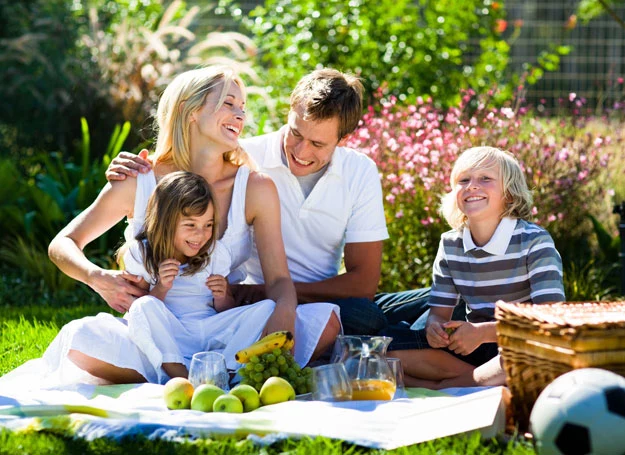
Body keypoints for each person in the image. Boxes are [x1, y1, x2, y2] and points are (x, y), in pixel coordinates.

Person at [45, 65, 340, 385]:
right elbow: (63, 243)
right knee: (80, 338)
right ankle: (211, 375)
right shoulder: (139, 179)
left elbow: (280, 279)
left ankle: (198, 373)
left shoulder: (254, 187)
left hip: (221, 330)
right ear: (190, 110)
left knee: (324, 322)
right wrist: (98, 278)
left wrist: (284, 312)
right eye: (229, 103)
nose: (240, 115)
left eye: (242, 108)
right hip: (153, 332)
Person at [106, 68, 430, 337]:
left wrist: (272, 293)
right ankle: (414, 343)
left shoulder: (358, 170)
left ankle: (424, 336)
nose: (301, 152)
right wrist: (132, 170)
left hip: (299, 296)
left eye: (318, 143)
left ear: (343, 140)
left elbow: (363, 282)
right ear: (288, 113)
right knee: (367, 319)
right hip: (252, 304)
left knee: (439, 298)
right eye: (296, 134)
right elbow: (182, 172)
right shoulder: (241, 157)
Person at [387, 146, 566, 388]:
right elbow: (438, 314)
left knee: (532, 353)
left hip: (521, 342)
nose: (472, 185)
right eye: (464, 180)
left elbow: (550, 319)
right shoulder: (450, 244)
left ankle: (449, 384)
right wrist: (435, 330)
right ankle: (479, 380)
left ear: (510, 194)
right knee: (389, 346)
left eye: (485, 178)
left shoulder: (534, 241)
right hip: (472, 346)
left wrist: (482, 333)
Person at [122, 171, 236, 380]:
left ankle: (227, 371)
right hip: (171, 334)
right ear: (166, 222)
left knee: (266, 310)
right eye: (190, 225)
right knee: (143, 305)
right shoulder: (142, 253)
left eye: (208, 225)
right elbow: (140, 316)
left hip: (208, 331)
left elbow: (226, 310)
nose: (200, 235)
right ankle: (183, 376)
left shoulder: (215, 253)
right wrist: (161, 287)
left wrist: (222, 296)